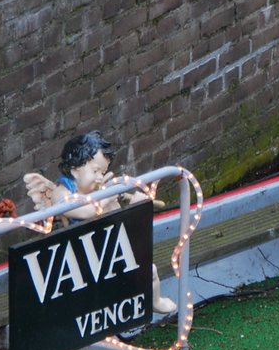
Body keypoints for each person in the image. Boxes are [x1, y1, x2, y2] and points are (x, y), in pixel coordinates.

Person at [24, 131, 176, 313]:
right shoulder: (61, 193)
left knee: (149, 271)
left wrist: (130, 203)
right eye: (95, 171)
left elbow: (115, 217)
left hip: (104, 247)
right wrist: (107, 195)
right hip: (79, 257)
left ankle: (154, 300)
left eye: (102, 172)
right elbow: (87, 211)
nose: (99, 177)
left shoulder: (96, 190)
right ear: (75, 169)